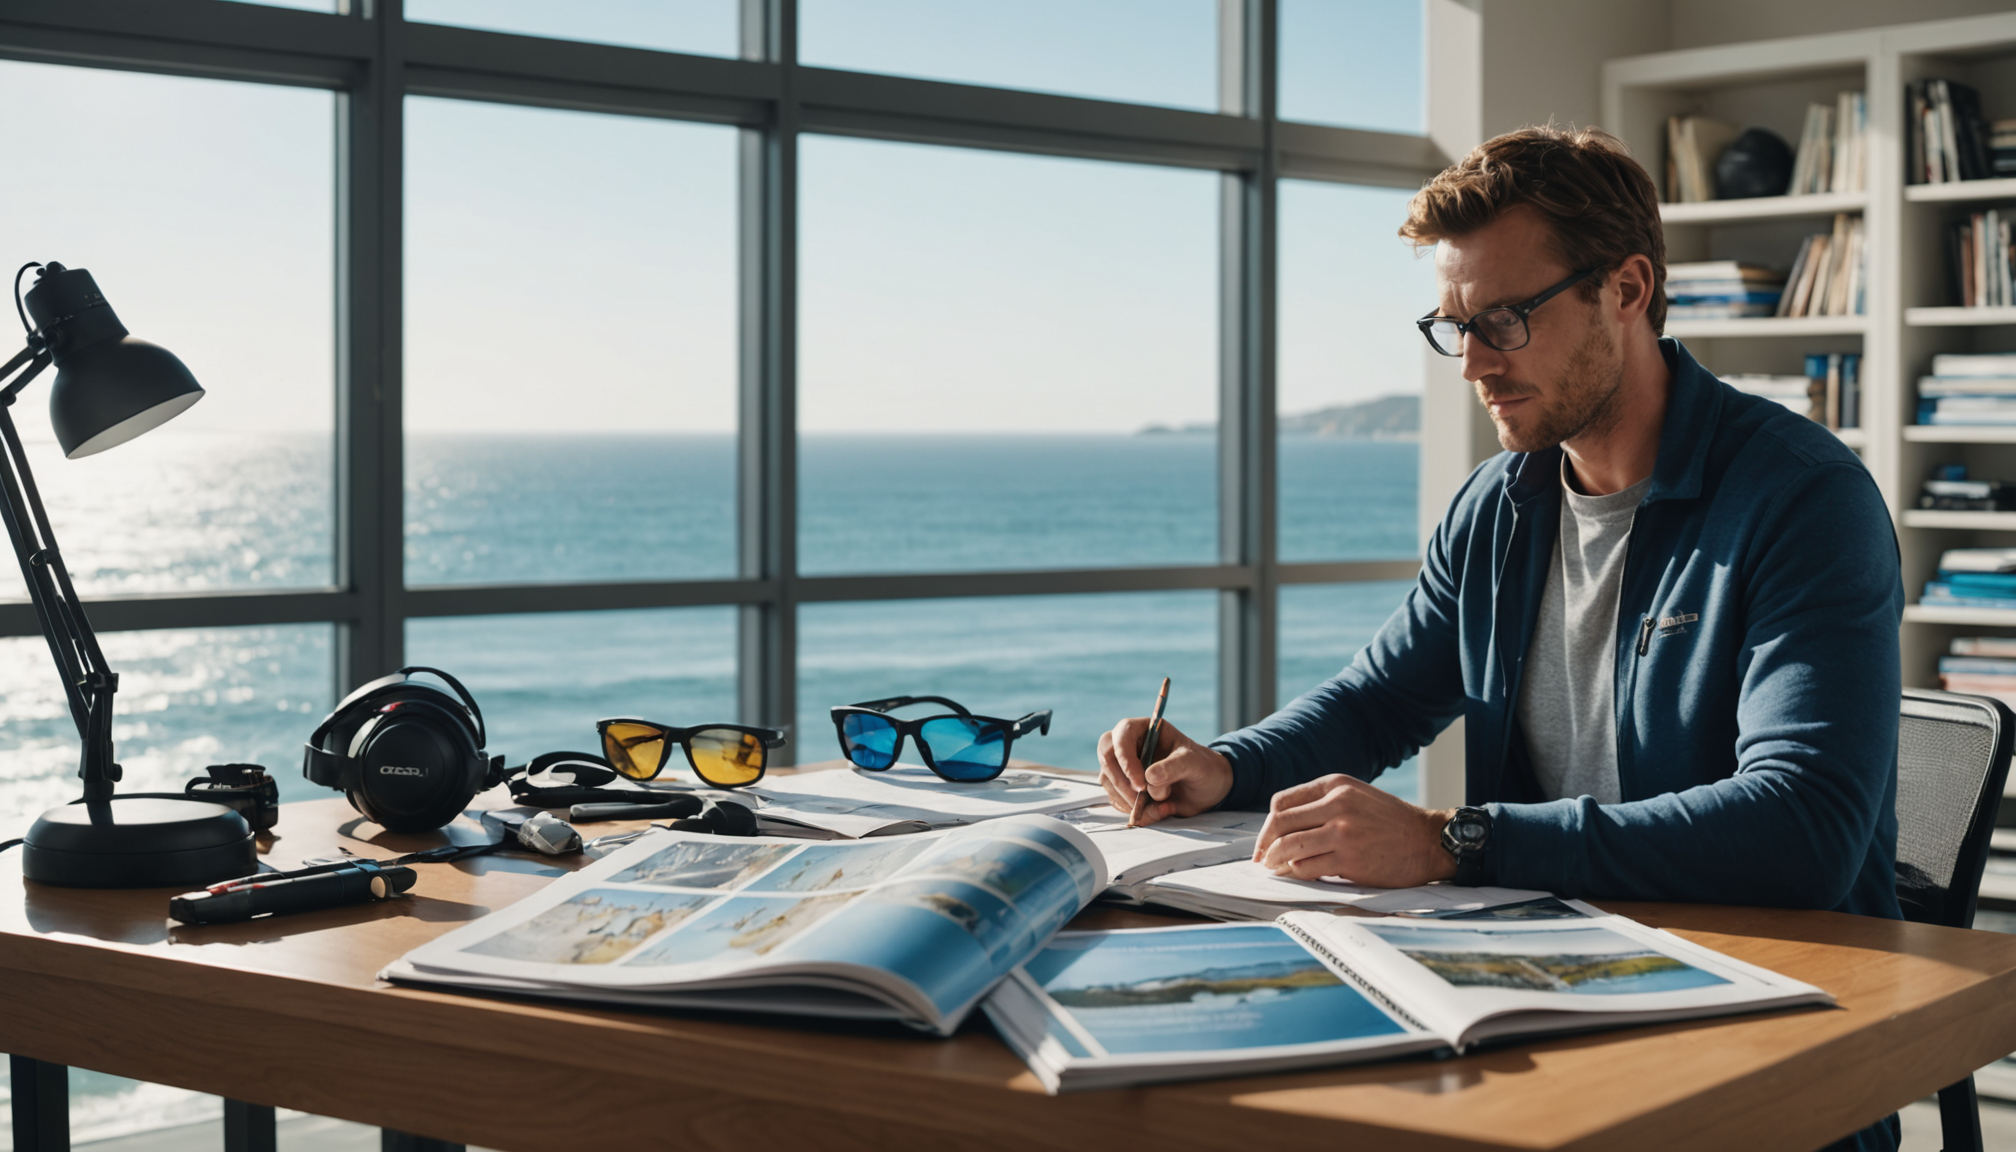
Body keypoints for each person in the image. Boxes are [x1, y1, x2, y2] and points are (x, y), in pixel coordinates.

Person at [1100, 123, 1904, 1149]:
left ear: (1627, 290)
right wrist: (1225, 764)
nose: (1474, 363)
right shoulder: (1501, 504)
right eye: (1453, 325)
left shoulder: (1800, 500)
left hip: (1767, 1034)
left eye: (1507, 320)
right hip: (1549, 1001)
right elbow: (1383, 698)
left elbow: (1804, 832)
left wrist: (1454, 842)